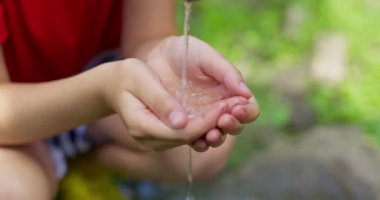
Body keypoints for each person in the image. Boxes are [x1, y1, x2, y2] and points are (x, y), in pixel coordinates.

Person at [0, 0, 259, 199]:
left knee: (201, 149)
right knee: (13, 189)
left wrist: (164, 58)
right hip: (12, 109)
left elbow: (147, 38)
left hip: (86, 75)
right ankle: (53, 163)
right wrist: (102, 93)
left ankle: (76, 160)